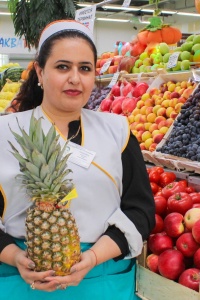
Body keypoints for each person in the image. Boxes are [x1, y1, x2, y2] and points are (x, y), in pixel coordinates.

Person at [0, 19, 155, 299]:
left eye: (84, 68)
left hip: (103, 279)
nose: (75, 78)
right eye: (62, 67)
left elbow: (140, 210)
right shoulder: (6, 132)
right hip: (21, 279)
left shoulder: (117, 130)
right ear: (39, 71)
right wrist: (14, 256)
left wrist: (94, 257)